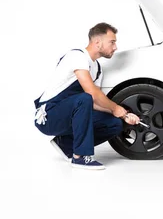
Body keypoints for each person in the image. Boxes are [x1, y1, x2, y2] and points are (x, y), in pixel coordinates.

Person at [33, 23, 140, 170]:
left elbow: (95, 103)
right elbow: (90, 93)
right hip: (48, 116)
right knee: (85, 98)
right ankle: (80, 156)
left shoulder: (97, 69)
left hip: (70, 113)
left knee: (115, 124)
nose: (115, 47)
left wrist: (123, 115)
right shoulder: (77, 56)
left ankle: (66, 144)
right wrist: (115, 108)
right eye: (112, 42)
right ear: (97, 42)